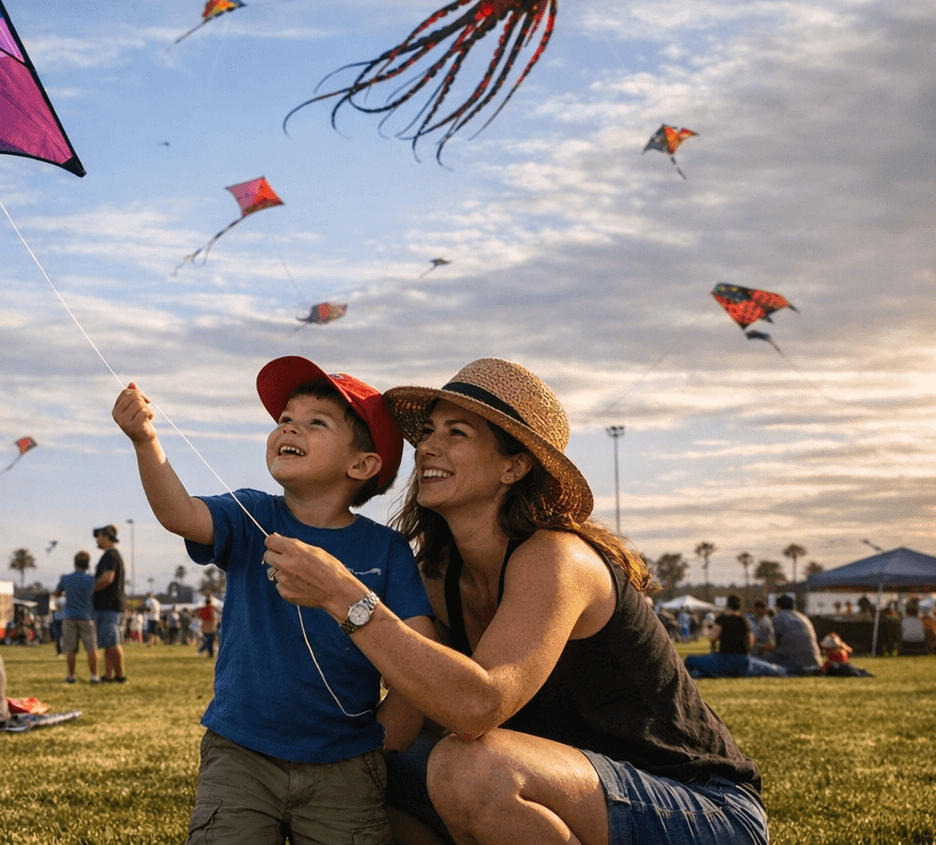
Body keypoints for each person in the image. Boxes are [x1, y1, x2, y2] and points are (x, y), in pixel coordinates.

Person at [263, 358, 766, 845]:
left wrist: (345, 596)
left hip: (699, 806)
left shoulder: (556, 558)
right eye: (429, 432)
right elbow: (406, 712)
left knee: (468, 768)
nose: (428, 449)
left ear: (514, 465)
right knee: (362, 777)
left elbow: (478, 707)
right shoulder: (436, 577)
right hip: (570, 793)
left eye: (455, 433)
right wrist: (298, 763)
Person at [114, 355, 429, 845]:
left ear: (362, 465)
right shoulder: (250, 512)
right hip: (240, 752)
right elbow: (182, 514)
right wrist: (145, 441)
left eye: (315, 423)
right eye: (285, 420)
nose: (291, 428)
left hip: (345, 765)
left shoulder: (385, 549)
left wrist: (381, 740)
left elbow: (419, 650)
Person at [684, 595, 787, 678]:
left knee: (690, 659)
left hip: (724, 659)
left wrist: (705, 628)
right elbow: (751, 640)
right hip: (744, 661)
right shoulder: (744, 620)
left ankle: (704, 674)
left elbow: (713, 637)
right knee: (772, 669)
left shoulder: (722, 619)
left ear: (727, 605)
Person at [56, 551, 98, 683]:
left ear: (75, 563)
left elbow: (57, 593)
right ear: (87, 565)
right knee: (91, 649)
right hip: (87, 616)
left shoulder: (66, 578)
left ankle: (70, 675)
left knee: (70, 649)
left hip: (69, 617)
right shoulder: (92, 579)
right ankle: (94, 676)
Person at [91, 525, 127, 683]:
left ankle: (119, 677)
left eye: (98, 537)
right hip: (112, 605)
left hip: (109, 605)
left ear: (105, 537)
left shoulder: (110, 556)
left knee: (112, 642)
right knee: (108, 642)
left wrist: (90, 589)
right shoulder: (113, 555)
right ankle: (108, 675)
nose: (97, 541)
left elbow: (107, 578)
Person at [768, 594, 822, 673]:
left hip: (793, 663)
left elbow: (773, 643)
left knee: (762, 658)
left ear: (778, 607)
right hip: (815, 662)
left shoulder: (778, 618)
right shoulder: (804, 617)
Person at [48, 589, 66, 657]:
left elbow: (52, 608)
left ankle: (60, 652)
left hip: (58, 620)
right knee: (62, 637)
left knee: (59, 637)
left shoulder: (56, 600)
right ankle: (62, 652)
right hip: (61, 619)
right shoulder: (64, 599)